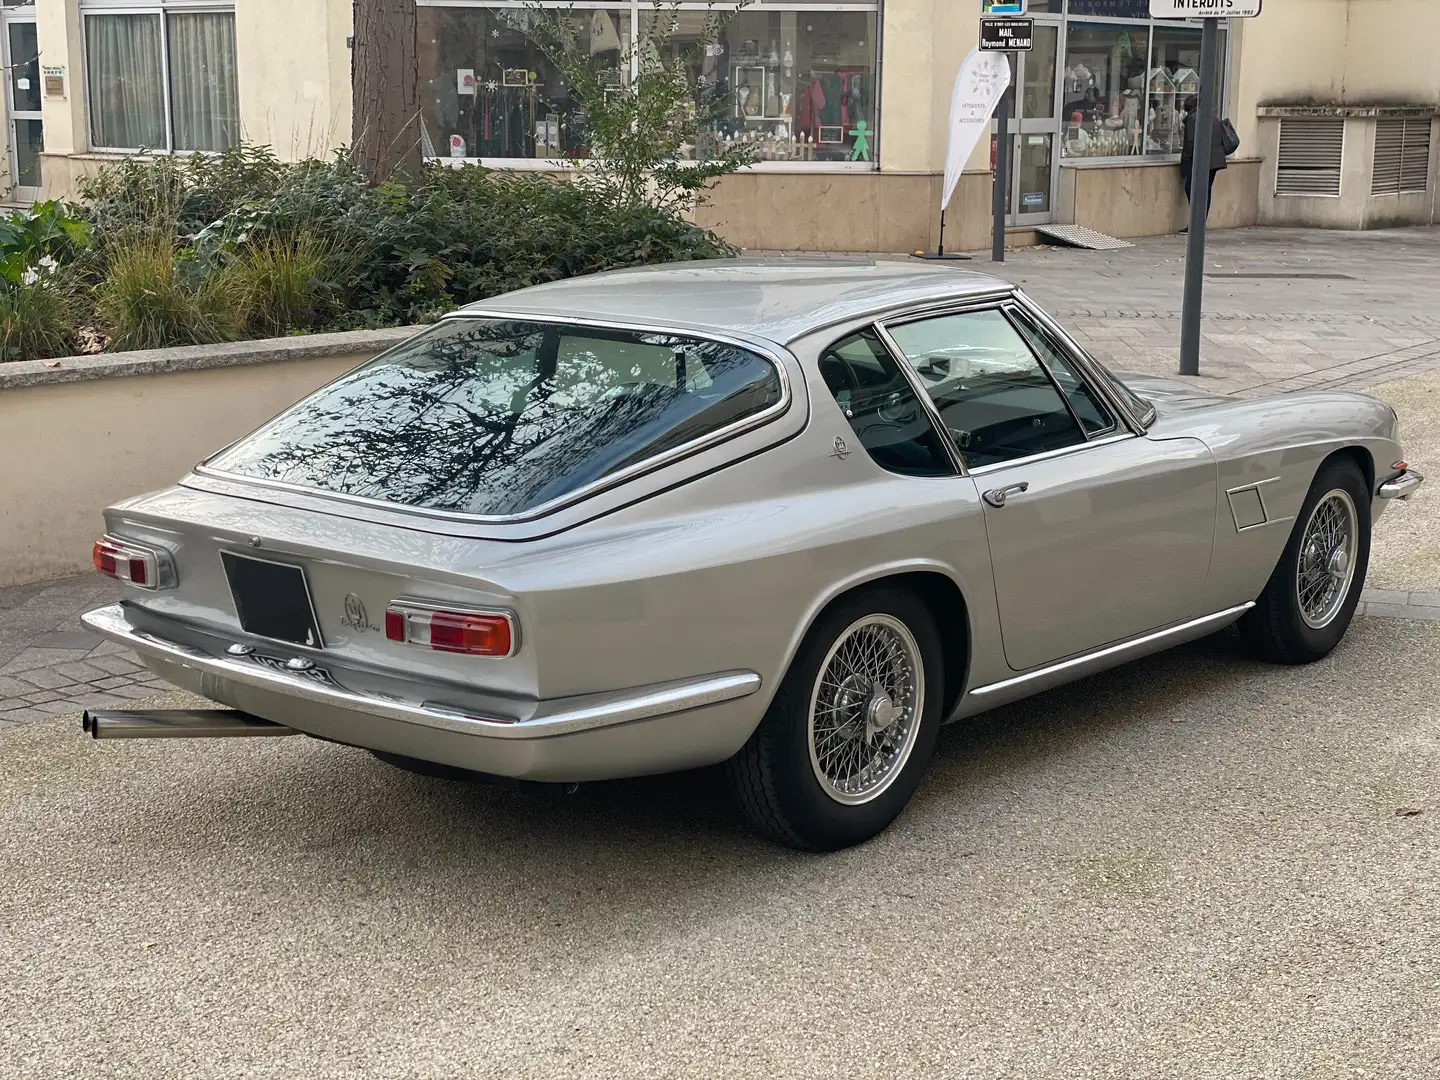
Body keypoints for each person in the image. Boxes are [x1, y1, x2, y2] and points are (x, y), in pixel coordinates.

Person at [1179, 96, 1227, 233]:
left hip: (1202, 161)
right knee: (1206, 191)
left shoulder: (1193, 119)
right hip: (1215, 160)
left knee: (1191, 189)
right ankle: (1200, 223)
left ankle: (1196, 223)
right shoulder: (1212, 116)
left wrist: (1185, 165)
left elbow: (1190, 143)